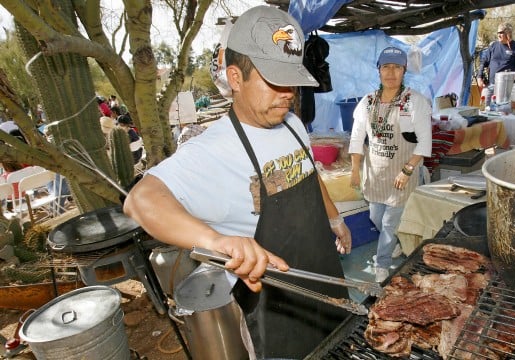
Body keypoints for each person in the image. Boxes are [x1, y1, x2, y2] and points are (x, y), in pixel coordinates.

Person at [123, 5, 352, 359]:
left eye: (290, 79)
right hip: (276, 315)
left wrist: (334, 218)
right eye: (273, 79)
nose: (288, 92)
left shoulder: (291, 123)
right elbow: (140, 200)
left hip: (325, 281)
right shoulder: (211, 150)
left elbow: (307, 173)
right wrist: (216, 240)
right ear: (235, 78)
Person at [349, 46, 432, 283]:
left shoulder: (415, 102)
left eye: (397, 67)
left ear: (404, 70)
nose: (391, 72)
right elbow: (356, 137)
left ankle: (382, 264)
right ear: (379, 70)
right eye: (386, 66)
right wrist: (355, 169)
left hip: (402, 173)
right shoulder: (367, 102)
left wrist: (407, 170)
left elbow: (425, 143)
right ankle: (394, 243)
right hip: (375, 174)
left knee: (388, 222)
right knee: (376, 217)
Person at [477, 23, 515, 88]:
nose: (498, 35)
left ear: (508, 33)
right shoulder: (493, 46)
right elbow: (483, 62)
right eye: (498, 33)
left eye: (501, 33)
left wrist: (512, 80)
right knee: (485, 97)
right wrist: (479, 77)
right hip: (491, 85)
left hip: (507, 87)